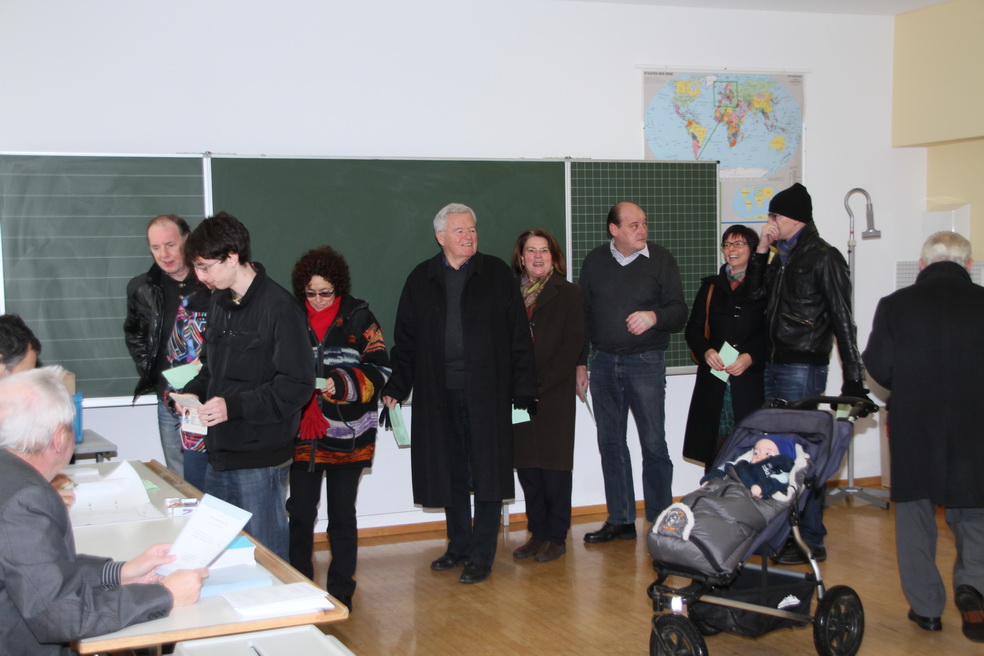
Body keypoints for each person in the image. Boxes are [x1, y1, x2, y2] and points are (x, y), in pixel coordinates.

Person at [0, 366, 206, 656]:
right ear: (59, 437)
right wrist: (165, 595)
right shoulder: (26, 498)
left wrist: (119, 572)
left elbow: (38, 571)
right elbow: (62, 617)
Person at [382, 203, 537, 584]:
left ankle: (482, 554)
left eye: (472, 229)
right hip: (438, 394)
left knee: (488, 472)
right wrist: (396, 387)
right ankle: (459, 545)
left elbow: (519, 336)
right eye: (460, 231)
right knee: (448, 470)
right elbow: (406, 341)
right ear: (441, 237)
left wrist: (523, 388)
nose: (469, 236)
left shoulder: (496, 274)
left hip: (488, 394)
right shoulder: (421, 278)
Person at [862, 231, 984, 643]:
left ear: (923, 264)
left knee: (915, 514)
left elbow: (878, 366)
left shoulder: (895, 305)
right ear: (968, 265)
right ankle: (974, 589)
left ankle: (927, 608)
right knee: (975, 511)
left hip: (915, 423)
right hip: (975, 423)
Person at [743, 182, 869, 565]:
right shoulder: (780, 256)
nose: (770, 222)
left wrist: (854, 378)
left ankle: (810, 538)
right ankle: (782, 534)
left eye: (774, 215)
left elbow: (843, 319)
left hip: (803, 367)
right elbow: (753, 297)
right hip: (774, 364)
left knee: (803, 454)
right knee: (777, 452)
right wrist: (761, 252)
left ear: (794, 218)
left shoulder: (824, 257)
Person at [179, 211, 314, 561]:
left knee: (266, 558)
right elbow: (211, 369)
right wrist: (193, 392)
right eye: (197, 268)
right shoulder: (220, 301)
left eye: (205, 267)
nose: (200, 276)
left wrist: (233, 406)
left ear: (232, 257)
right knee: (224, 557)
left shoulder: (280, 308)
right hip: (220, 451)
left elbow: (297, 385)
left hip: (260, 458)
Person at [286, 246, 391, 612]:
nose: (317, 300)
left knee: (342, 515)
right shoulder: (290, 315)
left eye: (325, 293)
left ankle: (341, 590)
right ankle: (299, 586)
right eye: (310, 293)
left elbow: (381, 370)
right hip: (302, 433)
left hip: (350, 434)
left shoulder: (360, 318)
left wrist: (343, 382)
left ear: (338, 288)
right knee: (300, 512)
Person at [576, 201, 687, 543]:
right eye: (634, 225)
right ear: (614, 230)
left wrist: (654, 317)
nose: (643, 230)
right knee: (610, 443)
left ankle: (661, 520)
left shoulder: (661, 260)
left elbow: (679, 312)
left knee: (653, 444)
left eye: (644, 223)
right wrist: (580, 362)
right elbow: (583, 316)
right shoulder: (594, 261)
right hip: (603, 363)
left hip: (646, 363)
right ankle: (621, 519)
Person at [509, 229, 585, 563]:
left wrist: (537, 387)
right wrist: (519, 386)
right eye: (531, 250)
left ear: (554, 257)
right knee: (527, 467)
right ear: (521, 257)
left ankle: (556, 536)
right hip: (518, 396)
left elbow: (572, 348)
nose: (537, 257)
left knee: (554, 469)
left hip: (554, 393)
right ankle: (537, 533)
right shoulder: (509, 294)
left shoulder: (570, 294)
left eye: (544, 250)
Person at [124, 214, 211, 490]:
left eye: (171, 245)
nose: (164, 254)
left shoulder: (210, 283)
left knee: (212, 476)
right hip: (169, 398)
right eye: (156, 247)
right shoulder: (142, 287)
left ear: (187, 240)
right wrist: (151, 371)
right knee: (179, 480)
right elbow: (134, 333)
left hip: (209, 397)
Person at [682, 225, 766, 473]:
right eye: (727, 245)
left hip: (750, 380)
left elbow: (773, 334)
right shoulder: (711, 286)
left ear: (753, 250)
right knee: (715, 450)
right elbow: (693, 329)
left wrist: (751, 357)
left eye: (739, 244)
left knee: (751, 450)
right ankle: (713, 493)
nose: (732, 249)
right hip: (716, 380)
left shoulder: (766, 285)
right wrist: (707, 352)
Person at [700, 436, 796, 500]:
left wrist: (762, 488)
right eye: (756, 453)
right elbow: (724, 467)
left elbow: (779, 482)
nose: (759, 456)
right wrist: (709, 479)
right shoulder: (743, 465)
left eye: (768, 454)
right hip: (725, 493)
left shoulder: (780, 472)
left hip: (746, 502)